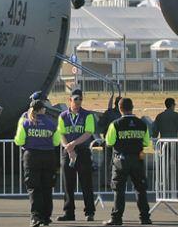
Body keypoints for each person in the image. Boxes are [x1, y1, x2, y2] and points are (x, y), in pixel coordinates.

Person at [103, 98, 152, 226]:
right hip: (137, 159)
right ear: (133, 107)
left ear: (120, 108)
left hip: (120, 161)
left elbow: (109, 142)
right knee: (140, 189)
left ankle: (117, 218)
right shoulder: (142, 123)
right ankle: (145, 217)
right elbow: (146, 142)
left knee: (119, 190)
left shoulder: (115, 124)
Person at [15, 99, 61, 227]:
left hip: (32, 157)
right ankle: (46, 217)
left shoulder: (25, 122)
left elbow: (19, 141)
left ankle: (36, 217)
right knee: (47, 187)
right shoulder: (51, 123)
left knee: (34, 188)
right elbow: (56, 142)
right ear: (43, 109)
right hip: (48, 157)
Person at [56, 89, 96, 222]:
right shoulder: (62, 116)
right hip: (68, 152)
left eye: (80, 99)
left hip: (82, 151)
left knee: (86, 183)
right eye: (75, 99)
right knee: (68, 184)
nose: (78, 102)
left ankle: (89, 212)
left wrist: (74, 143)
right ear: (70, 100)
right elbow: (61, 134)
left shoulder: (87, 115)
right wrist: (69, 148)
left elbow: (88, 132)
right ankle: (69, 213)